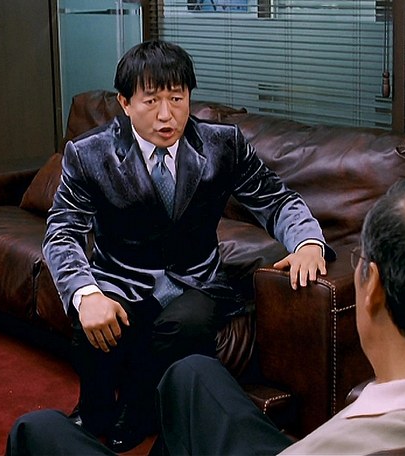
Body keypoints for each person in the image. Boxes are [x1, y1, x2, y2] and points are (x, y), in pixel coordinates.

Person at [9, 175, 405, 455]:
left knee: (39, 430)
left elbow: (273, 198)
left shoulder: (333, 446)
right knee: (192, 373)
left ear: (370, 290)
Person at [41, 39, 333, 452]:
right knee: (92, 317)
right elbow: (62, 231)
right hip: (121, 276)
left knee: (183, 326)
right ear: (125, 103)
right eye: (151, 101)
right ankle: (95, 409)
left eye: (177, 99)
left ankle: (142, 408)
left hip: (196, 279)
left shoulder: (222, 144)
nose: (167, 115)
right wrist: (85, 292)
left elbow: (276, 199)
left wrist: (307, 242)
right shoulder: (90, 154)